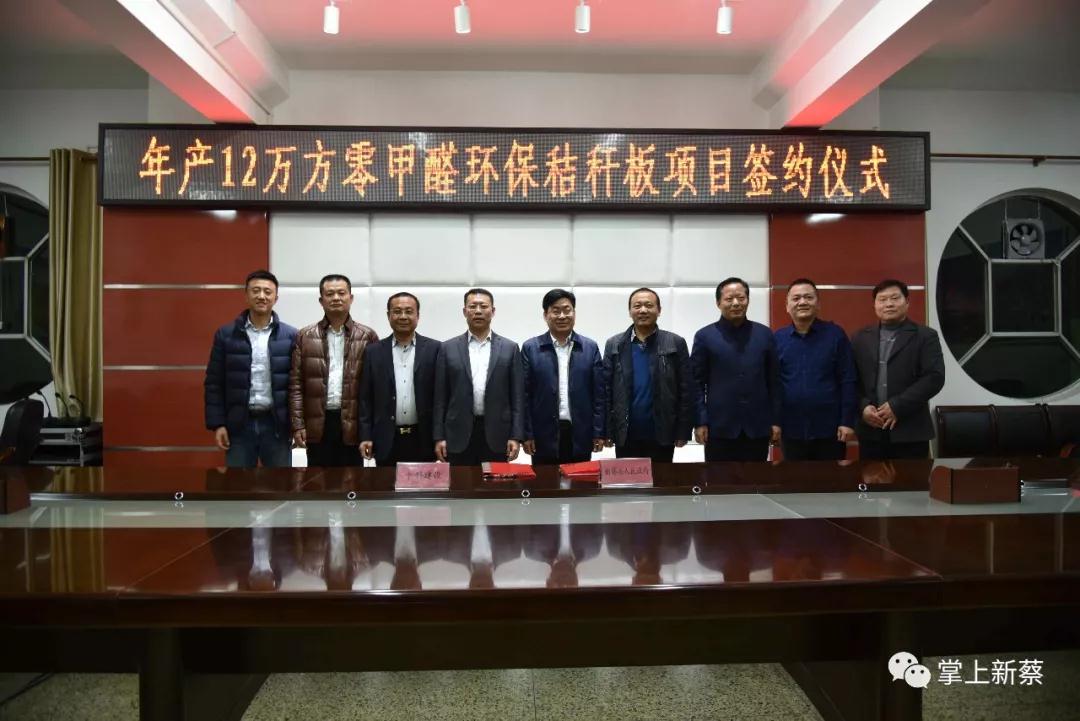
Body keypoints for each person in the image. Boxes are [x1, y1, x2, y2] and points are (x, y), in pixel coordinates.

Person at [204, 270, 298, 467]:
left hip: (277, 426)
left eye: (267, 292)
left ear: (276, 298)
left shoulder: (291, 336)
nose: (261, 296)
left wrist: (298, 425)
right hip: (239, 425)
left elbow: (298, 385)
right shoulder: (226, 335)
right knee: (238, 484)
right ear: (246, 295)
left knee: (280, 483)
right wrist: (218, 424)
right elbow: (214, 382)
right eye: (256, 291)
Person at [288, 274, 378, 467]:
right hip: (317, 423)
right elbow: (296, 385)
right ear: (321, 301)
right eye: (330, 294)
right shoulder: (305, 336)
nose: (336, 298)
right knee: (318, 480)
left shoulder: (367, 336)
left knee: (352, 480)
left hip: (353, 423)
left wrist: (369, 430)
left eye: (341, 293)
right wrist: (298, 425)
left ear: (351, 298)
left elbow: (374, 389)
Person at [851, 279, 945, 459]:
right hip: (871, 430)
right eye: (882, 299)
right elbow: (850, 379)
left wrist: (897, 406)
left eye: (895, 298)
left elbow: (934, 377)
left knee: (912, 477)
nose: (889, 304)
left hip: (910, 429)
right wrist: (862, 407)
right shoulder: (859, 338)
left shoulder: (925, 336)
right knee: (871, 476)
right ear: (874, 305)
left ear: (907, 301)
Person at [691, 277, 780, 462]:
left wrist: (775, 420)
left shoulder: (765, 334)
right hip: (718, 428)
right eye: (729, 299)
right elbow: (696, 384)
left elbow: (774, 382)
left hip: (758, 427)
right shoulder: (705, 336)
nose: (736, 303)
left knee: (756, 478)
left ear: (748, 300)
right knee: (718, 479)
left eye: (741, 298)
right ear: (718, 303)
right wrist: (700, 421)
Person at [433, 288, 525, 465]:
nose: (478, 311)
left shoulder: (510, 348)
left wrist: (516, 436)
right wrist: (439, 437)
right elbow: (440, 398)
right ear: (464, 311)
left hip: (498, 434)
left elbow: (517, 397)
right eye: (472, 306)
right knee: (460, 481)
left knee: (494, 482)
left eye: (483, 306)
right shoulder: (447, 348)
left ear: (493, 311)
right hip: (457, 434)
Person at [603, 287, 693, 463]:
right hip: (625, 433)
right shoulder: (614, 344)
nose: (643, 310)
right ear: (630, 311)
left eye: (649, 305)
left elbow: (686, 390)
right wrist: (607, 431)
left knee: (662, 479)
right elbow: (606, 390)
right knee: (628, 479)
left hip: (663, 432)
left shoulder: (675, 342)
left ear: (659, 310)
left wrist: (683, 430)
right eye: (637, 306)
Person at [774, 278, 858, 461]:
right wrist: (775, 422)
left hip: (830, 430)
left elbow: (848, 379)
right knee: (794, 478)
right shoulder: (777, 339)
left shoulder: (835, 335)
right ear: (787, 306)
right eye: (796, 298)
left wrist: (847, 421)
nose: (802, 302)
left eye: (808, 297)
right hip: (791, 429)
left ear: (818, 304)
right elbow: (774, 385)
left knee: (830, 478)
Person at [521, 289, 606, 465]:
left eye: (567, 310)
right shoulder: (531, 348)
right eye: (555, 311)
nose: (562, 316)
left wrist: (598, 431)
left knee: (579, 480)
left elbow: (599, 394)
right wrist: (527, 434)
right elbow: (524, 395)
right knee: (545, 481)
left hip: (580, 433)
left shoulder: (590, 348)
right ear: (545, 315)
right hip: (542, 434)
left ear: (574, 313)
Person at [358, 292, 441, 464]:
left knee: (424, 482)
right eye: (397, 311)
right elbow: (365, 398)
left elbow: (441, 398)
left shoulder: (435, 349)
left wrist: (440, 436)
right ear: (388, 315)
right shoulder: (373, 352)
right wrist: (365, 435)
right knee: (386, 481)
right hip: (386, 440)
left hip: (423, 439)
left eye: (409, 311)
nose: (403, 316)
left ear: (418, 316)